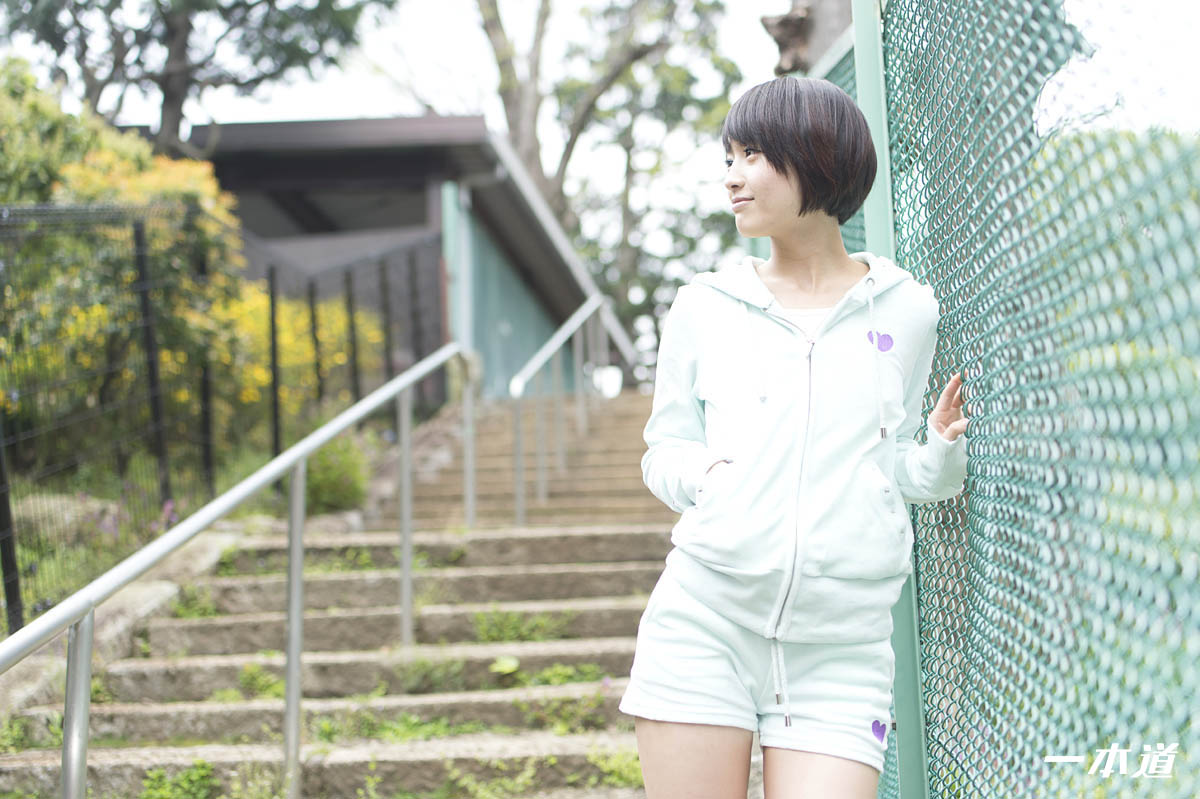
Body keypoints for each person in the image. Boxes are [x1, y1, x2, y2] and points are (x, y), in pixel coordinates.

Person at [618, 75, 970, 798]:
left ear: (817, 156)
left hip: (842, 646)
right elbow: (665, 449)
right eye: (730, 157)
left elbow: (899, 467)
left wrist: (939, 451)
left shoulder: (908, 310)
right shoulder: (704, 307)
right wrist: (710, 478)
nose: (732, 176)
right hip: (705, 620)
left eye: (752, 155)